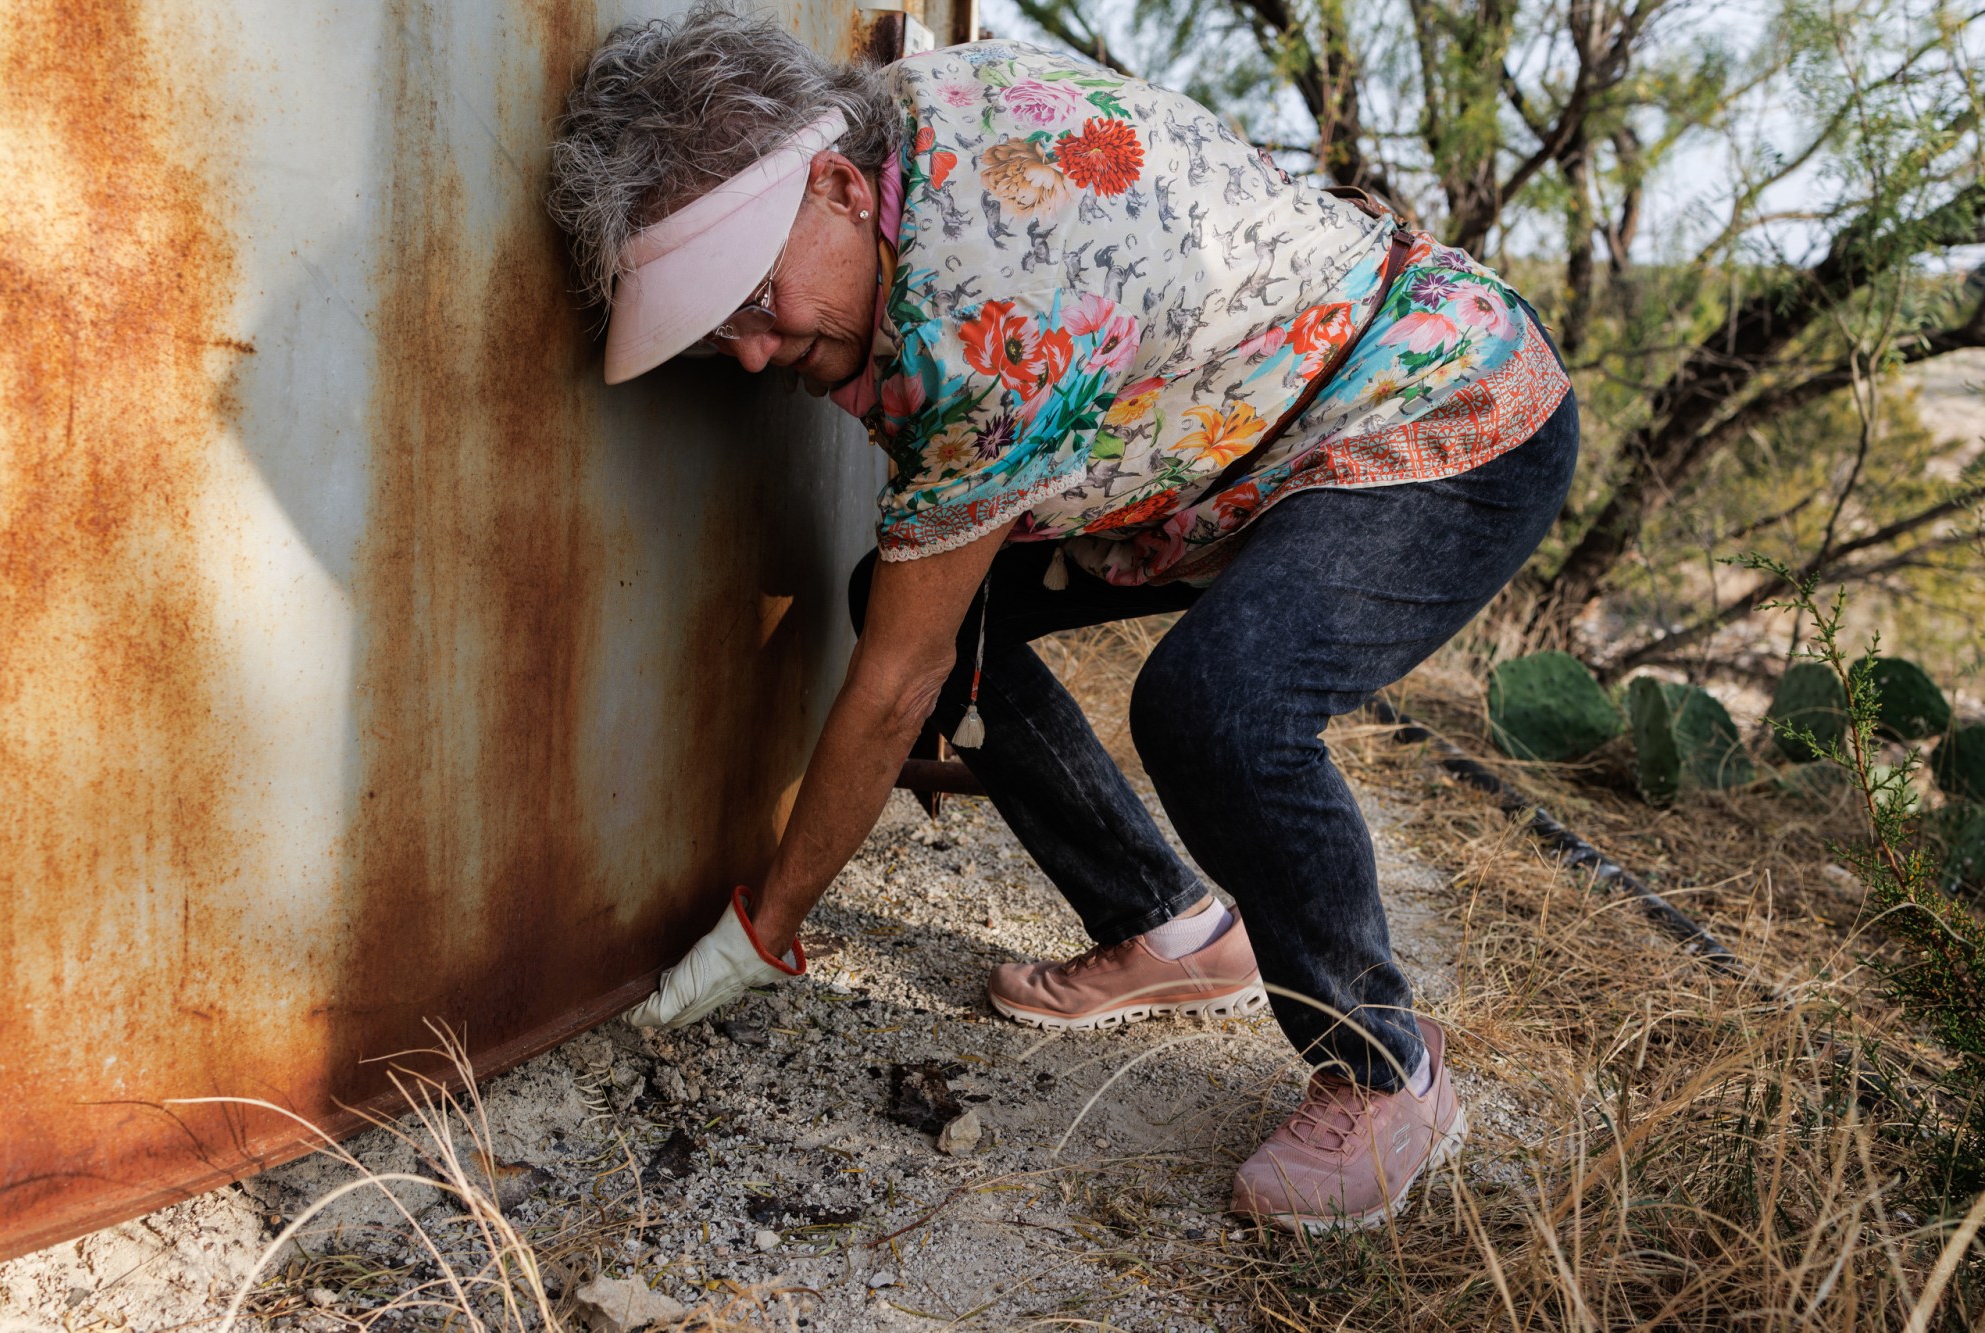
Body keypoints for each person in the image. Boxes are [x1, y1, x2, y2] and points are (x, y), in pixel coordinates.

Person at [548, 3, 1577, 1233]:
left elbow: (892, 685)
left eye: (758, 301)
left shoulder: (987, 306)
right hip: (1240, 435)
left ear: (830, 182)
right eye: (724, 337)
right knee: (909, 599)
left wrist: (763, 930)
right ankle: (1169, 923)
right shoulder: (904, 133)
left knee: (1218, 704)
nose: (758, 356)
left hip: (1437, 405)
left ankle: (1382, 1067)